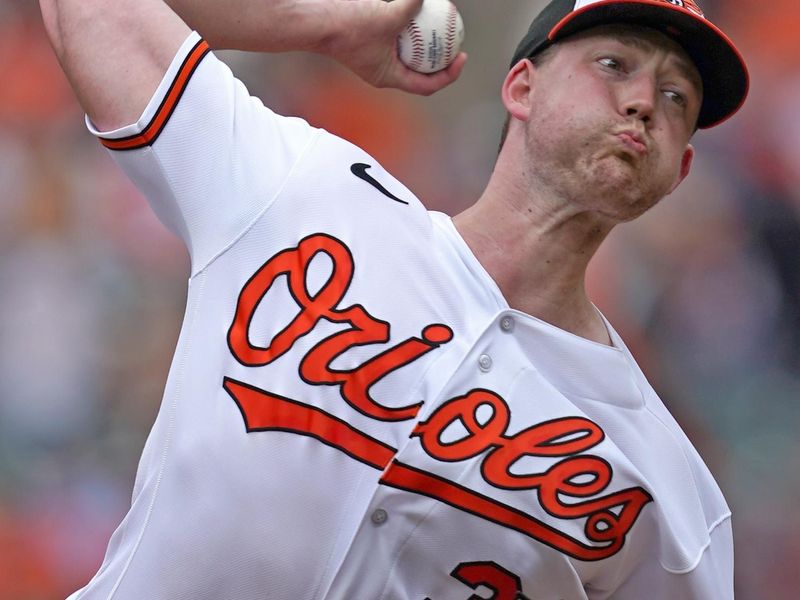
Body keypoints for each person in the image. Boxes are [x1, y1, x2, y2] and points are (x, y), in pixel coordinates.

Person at [39, 0, 748, 597]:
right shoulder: (305, 192)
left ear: (679, 169)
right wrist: (321, 26)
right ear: (522, 89)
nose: (643, 103)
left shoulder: (669, 488)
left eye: (676, 97)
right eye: (614, 65)